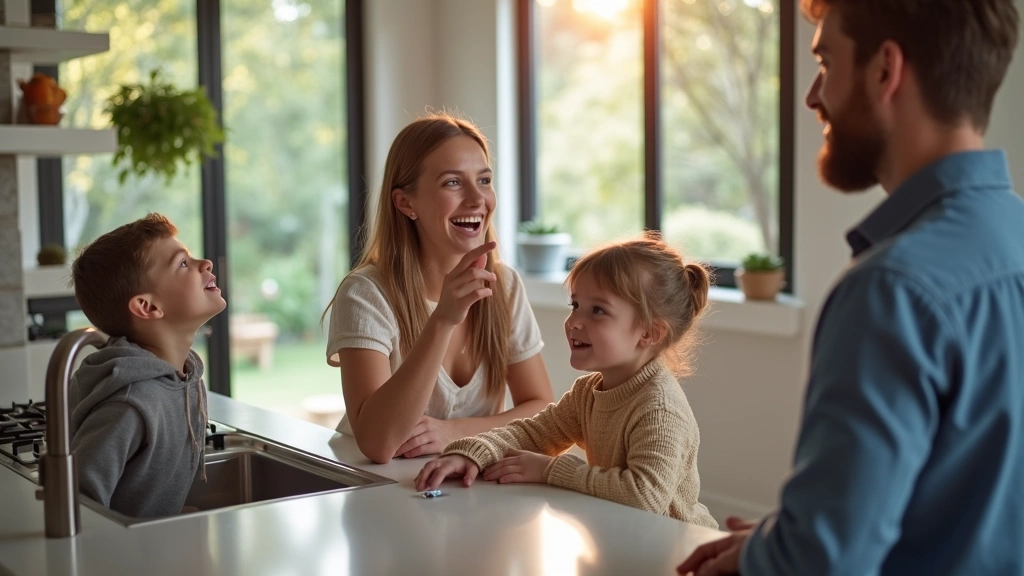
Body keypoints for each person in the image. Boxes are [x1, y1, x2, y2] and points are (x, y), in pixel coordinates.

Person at [679, 0, 1022, 574]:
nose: (813, 96)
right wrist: (782, 537)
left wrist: (788, 551)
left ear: (886, 69)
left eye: (826, 63)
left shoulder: (893, 290)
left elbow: (824, 561)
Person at [415, 233, 719, 529]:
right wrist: (472, 452)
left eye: (597, 310)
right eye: (575, 305)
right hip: (625, 540)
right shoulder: (588, 393)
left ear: (650, 333)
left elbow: (643, 496)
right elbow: (532, 433)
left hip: (679, 551)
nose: (574, 322)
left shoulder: (659, 408)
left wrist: (550, 469)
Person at [325, 113, 554, 464]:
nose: (477, 199)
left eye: (484, 180)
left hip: (468, 488)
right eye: (452, 183)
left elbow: (543, 413)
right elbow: (378, 444)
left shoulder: (504, 286)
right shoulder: (366, 295)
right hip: (378, 488)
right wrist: (443, 320)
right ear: (406, 203)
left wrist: (456, 432)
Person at [69, 213, 225, 518]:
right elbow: (81, 508)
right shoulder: (129, 405)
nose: (205, 263)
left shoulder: (184, 378)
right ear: (148, 306)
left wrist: (168, 517)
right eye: (183, 263)